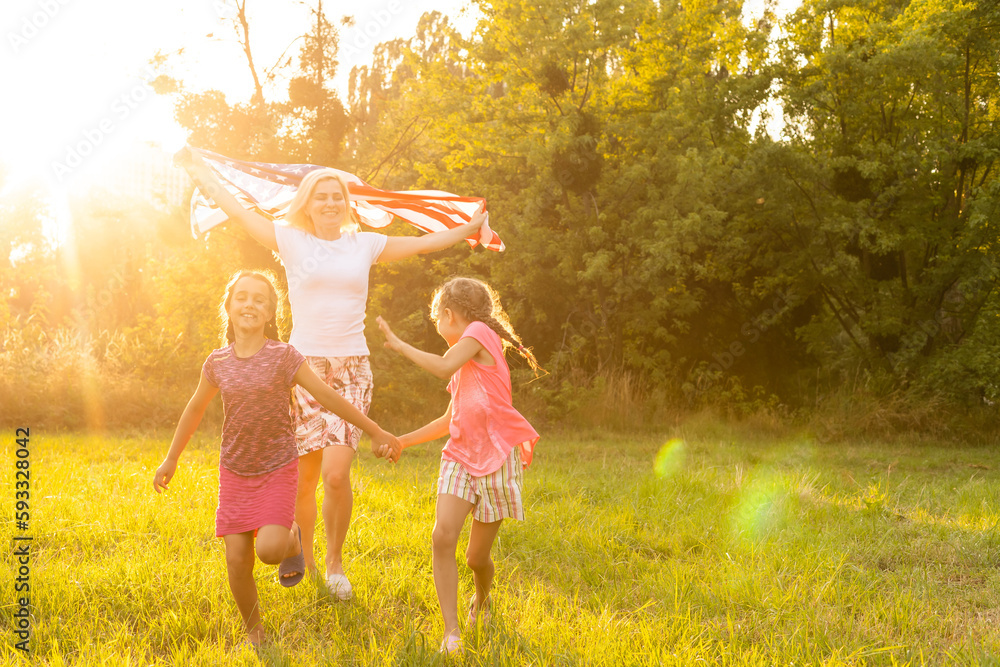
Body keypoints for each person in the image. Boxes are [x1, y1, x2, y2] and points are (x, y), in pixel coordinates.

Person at [175, 148, 487, 601]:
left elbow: (423, 244)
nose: (329, 203)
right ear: (307, 202)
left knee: (337, 474)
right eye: (320, 196)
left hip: (352, 367)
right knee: (304, 477)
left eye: (336, 196)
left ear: (347, 203)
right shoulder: (290, 240)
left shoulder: (365, 244)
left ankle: (335, 563)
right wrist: (199, 171)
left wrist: (468, 229)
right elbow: (239, 213)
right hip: (301, 369)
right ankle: (303, 553)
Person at [152, 270, 400, 649]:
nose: (249, 304)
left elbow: (328, 396)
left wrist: (375, 430)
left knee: (268, 551)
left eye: (259, 299)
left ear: (270, 312)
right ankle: (256, 632)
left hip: (277, 467)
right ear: (229, 307)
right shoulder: (217, 362)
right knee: (237, 560)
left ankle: (292, 538)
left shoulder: (283, 356)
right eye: (242, 297)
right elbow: (194, 409)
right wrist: (171, 458)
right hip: (235, 470)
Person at [376, 277, 541, 655]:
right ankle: (452, 633)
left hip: (497, 459)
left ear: (449, 315)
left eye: (436, 319)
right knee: (442, 537)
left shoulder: (479, 332)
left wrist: (400, 344)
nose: (438, 326)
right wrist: (402, 441)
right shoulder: (462, 361)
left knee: (476, 558)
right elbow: (448, 420)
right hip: (460, 458)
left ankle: (482, 599)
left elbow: (441, 365)